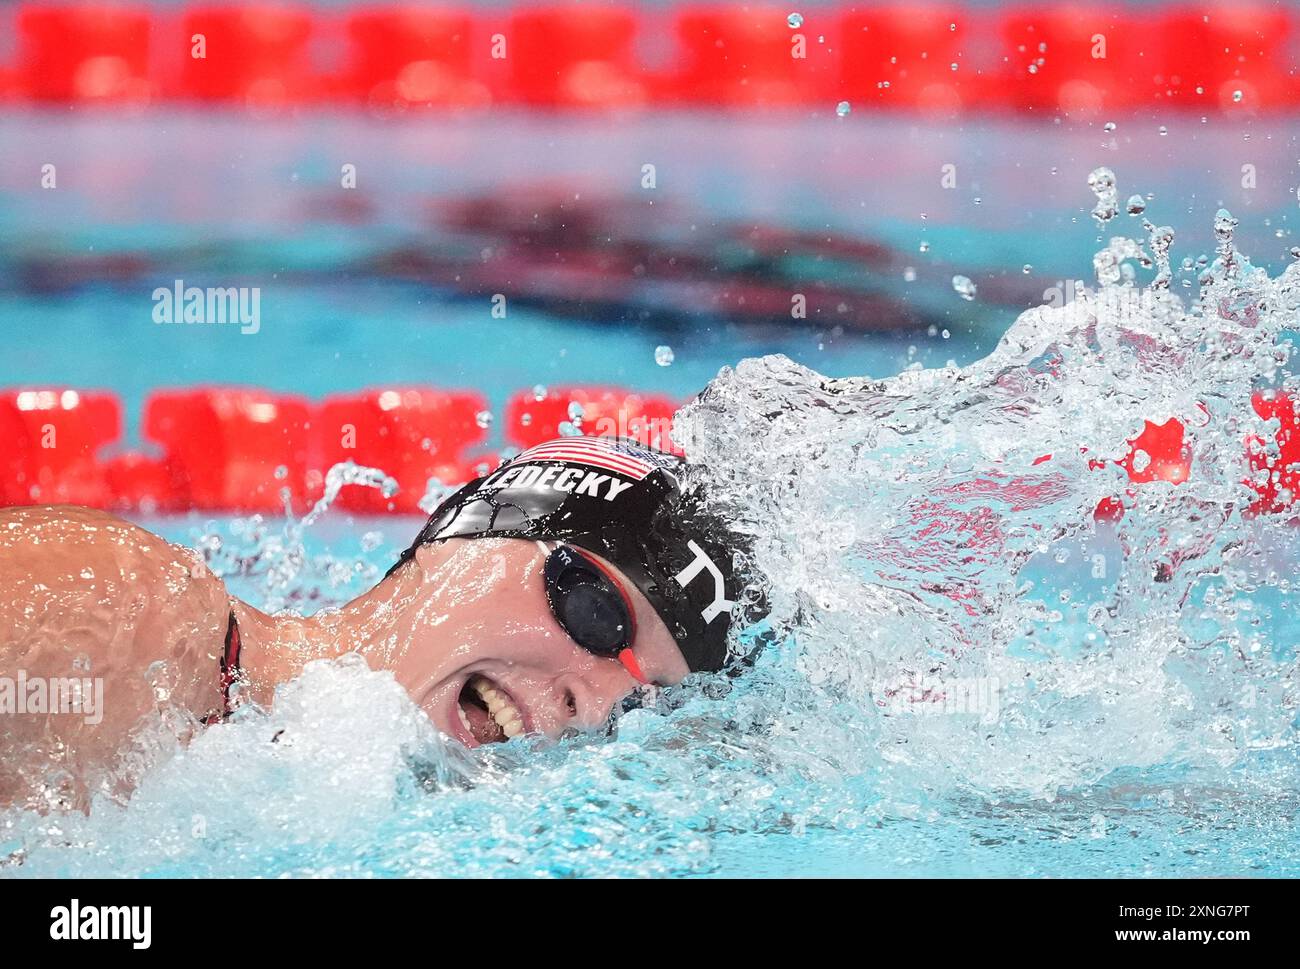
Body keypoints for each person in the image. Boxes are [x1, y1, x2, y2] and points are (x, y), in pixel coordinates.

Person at [0, 436, 750, 809]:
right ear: (468, 535)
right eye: (595, 610)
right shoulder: (135, 615)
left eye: (635, 709)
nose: (589, 705)